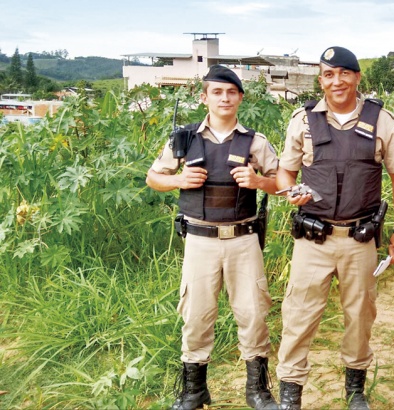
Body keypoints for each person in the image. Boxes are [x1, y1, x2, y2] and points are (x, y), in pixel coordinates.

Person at [274, 46, 394, 410]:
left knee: (360, 316)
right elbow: (285, 171)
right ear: (321, 80)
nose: (337, 81)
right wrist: (291, 192)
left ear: (356, 77)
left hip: (359, 239)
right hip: (312, 239)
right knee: (299, 314)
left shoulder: (381, 120)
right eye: (329, 75)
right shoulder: (302, 121)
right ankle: (291, 392)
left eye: (344, 73)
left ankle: (355, 390)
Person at [146, 65, 279, 410]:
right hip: (200, 240)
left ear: (240, 98)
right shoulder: (185, 138)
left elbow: (282, 182)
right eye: (217, 92)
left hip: (243, 238)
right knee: (197, 314)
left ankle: (257, 390)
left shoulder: (255, 142)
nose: (224, 98)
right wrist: (178, 180)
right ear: (203, 97)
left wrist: (258, 181)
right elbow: (153, 177)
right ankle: (194, 390)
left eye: (231, 92)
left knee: (252, 313)